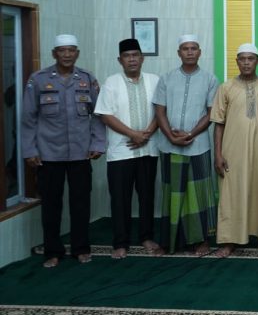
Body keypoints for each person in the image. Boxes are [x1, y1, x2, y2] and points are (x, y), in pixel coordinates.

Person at [21, 34, 106, 268]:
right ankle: (53, 251)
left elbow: (98, 115)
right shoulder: (38, 80)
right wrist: (29, 150)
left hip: (80, 153)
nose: (67, 55)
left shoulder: (87, 79)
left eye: (71, 51)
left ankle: (81, 249)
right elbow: (28, 119)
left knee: (81, 203)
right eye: (62, 51)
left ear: (77, 53)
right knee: (51, 205)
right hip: (48, 155)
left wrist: (98, 144)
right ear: (54, 54)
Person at [94, 38, 162, 259]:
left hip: (148, 149)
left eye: (135, 55)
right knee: (120, 198)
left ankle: (146, 237)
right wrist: (133, 134)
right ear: (120, 60)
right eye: (127, 56)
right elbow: (105, 115)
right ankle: (120, 243)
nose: (132, 59)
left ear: (142, 58)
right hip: (121, 152)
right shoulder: (111, 83)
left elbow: (161, 111)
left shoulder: (155, 81)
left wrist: (147, 133)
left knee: (147, 196)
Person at [153, 34, 219, 255]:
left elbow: (211, 113)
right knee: (172, 193)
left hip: (198, 146)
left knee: (199, 194)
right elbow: (159, 111)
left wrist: (190, 133)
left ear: (200, 52)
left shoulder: (210, 79)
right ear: (178, 52)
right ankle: (169, 241)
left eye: (194, 48)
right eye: (185, 48)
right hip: (169, 146)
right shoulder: (166, 78)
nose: (190, 52)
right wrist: (171, 136)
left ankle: (201, 240)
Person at [211, 43, 258, 257]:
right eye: (242, 58)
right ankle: (229, 240)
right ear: (236, 61)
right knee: (231, 194)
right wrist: (218, 154)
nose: (246, 62)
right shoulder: (226, 87)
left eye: (251, 58)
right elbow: (218, 123)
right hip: (232, 152)